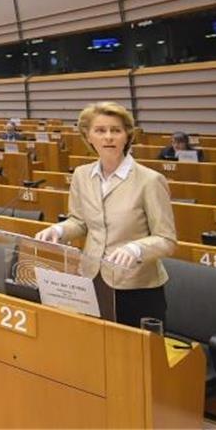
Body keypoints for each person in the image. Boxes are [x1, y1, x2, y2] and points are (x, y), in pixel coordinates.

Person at [34, 102, 177, 328]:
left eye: (116, 130)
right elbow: (80, 222)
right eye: (100, 131)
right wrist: (59, 230)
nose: (108, 137)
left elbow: (167, 240)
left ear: (127, 136)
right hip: (93, 278)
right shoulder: (82, 175)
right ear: (88, 136)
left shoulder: (150, 180)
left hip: (137, 287)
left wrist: (135, 248)